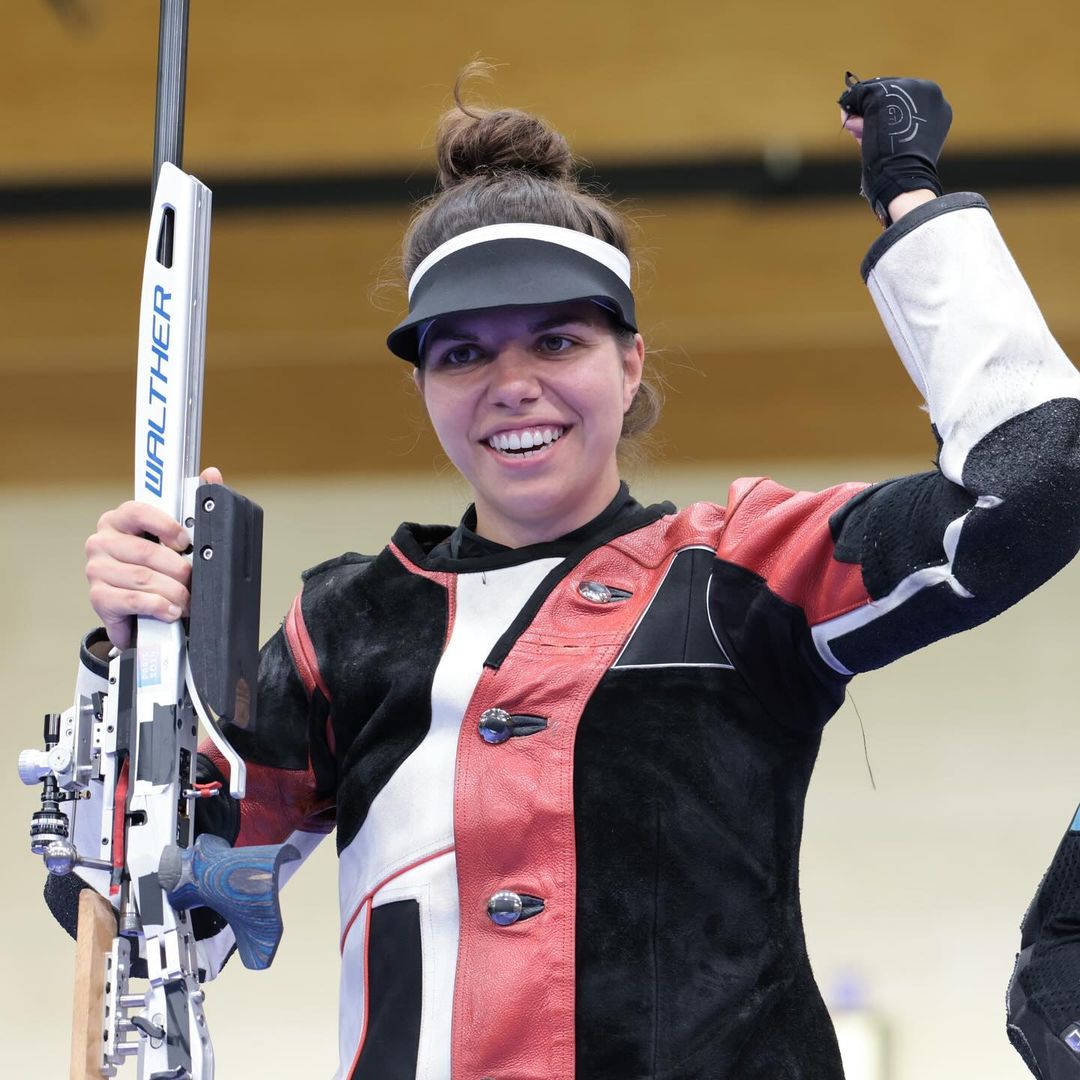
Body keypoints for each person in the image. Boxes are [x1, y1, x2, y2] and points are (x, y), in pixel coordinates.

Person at [65, 73, 1080, 1079]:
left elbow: (1037, 490)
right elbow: (134, 912)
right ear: (422, 386)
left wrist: (913, 201)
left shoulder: (743, 571)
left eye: (557, 339)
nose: (514, 386)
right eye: (462, 354)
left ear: (629, 361)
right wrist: (132, 653)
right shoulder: (344, 624)